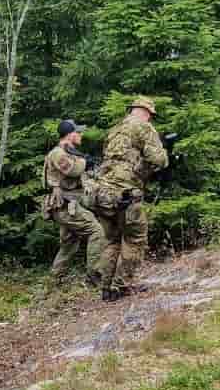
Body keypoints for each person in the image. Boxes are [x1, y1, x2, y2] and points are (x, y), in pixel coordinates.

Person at [93, 97, 170, 300]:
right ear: (146, 112)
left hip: (103, 193)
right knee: (135, 239)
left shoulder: (114, 130)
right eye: (151, 116)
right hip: (127, 192)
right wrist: (164, 152)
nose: (151, 119)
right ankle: (122, 285)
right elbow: (159, 159)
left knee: (112, 241)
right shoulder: (144, 128)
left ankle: (106, 288)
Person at [41, 117, 103, 286]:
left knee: (70, 243)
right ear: (69, 134)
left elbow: (82, 178)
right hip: (63, 206)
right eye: (78, 132)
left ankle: (53, 282)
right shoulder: (58, 153)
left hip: (69, 206)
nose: (81, 135)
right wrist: (85, 161)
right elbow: (73, 170)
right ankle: (95, 276)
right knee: (96, 230)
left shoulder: (69, 152)